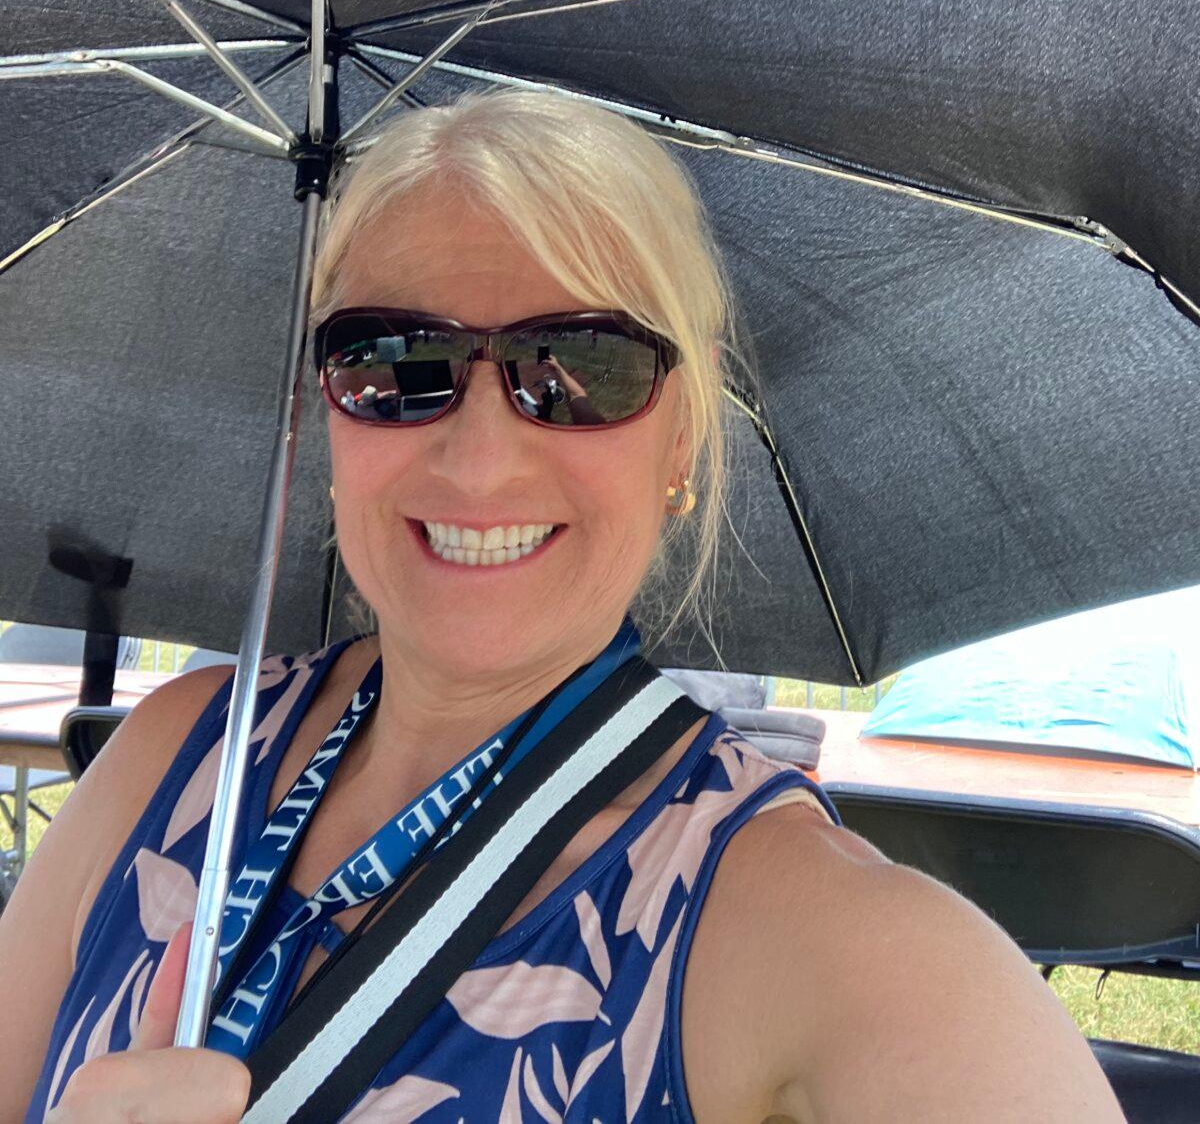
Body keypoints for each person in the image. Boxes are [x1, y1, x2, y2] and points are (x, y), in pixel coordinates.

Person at [0, 88, 1125, 1122]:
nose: (481, 458)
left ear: (680, 436)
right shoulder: (167, 759)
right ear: (325, 414)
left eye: (580, 365)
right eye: (395, 362)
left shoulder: (830, 943)